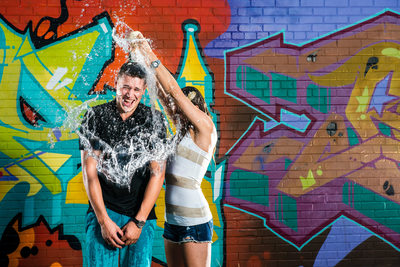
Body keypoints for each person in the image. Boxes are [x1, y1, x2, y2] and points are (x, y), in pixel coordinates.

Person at [130, 32, 217, 267]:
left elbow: (174, 93)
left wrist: (149, 53)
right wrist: (139, 58)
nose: (179, 110)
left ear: (197, 107)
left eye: (186, 106)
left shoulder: (205, 128)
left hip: (194, 222)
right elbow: (162, 93)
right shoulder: (180, 133)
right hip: (173, 222)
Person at [79, 61, 166, 266]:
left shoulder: (154, 120)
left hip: (140, 215)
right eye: (125, 87)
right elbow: (89, 173)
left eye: (136, 89)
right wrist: (103, 221)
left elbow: (157, 173)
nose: (130, 94)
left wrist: (139, 221)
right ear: (116, 83)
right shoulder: (95, 116)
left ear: (144, 90)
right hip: (104, 211)